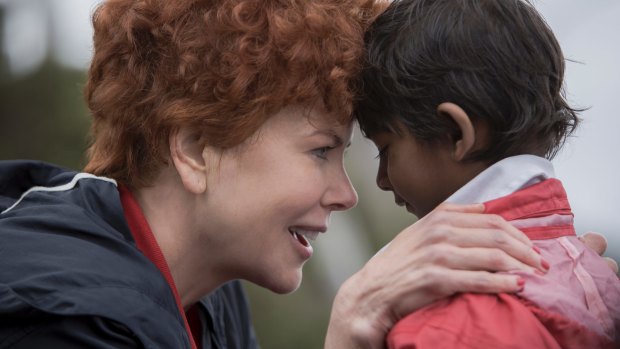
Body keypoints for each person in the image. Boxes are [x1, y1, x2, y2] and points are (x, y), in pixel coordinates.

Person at [0, 0, 610, 348]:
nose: (347, 193)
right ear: (194, 149)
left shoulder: (208, 299)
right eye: (321, 151)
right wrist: (347, 331)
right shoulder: (65, 324)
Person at [355, 0, 620, 348]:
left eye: (386, 150)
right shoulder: (597, 279)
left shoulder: (450, 326)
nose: (382, 180)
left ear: (456, 134)